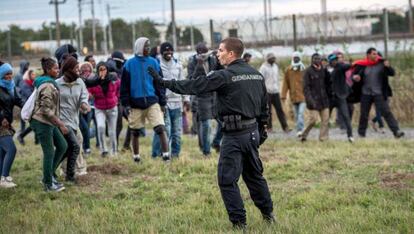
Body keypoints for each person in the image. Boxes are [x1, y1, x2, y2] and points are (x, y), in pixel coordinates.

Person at [148, 37, 275, 229]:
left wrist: (163, 82)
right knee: (254, 177)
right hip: (252, 133)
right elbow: (264, 105)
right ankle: (269, 215)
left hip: (234, 136)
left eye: (221, 50)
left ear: (231, 54)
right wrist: (262, 128)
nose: (217, 53)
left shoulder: (224, 75)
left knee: (227, 180)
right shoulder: (256, 74)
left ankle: (239, 224)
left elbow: (194, 85)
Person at [121, 37, 169, 162]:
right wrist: (126, 104)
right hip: (135, 103)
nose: (148, 49)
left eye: (149, 46)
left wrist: (162, 102)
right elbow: (124, 87)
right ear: (139, 48)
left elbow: (160, 84)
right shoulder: (129, 64)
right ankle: (136, 157)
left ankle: (166, 156)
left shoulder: (154, 62)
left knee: (160, 128)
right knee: (135, 132)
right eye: (145, 47)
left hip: (152, 101)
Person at [30, 57, 68, 192]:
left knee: (63, 146)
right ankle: (48, 184)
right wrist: (61, 124)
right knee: (49, 152)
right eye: (55, 68)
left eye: (58, 68)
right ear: (47, 70)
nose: (58, 70)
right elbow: (45, 110)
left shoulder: (50, 82)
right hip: (41, 121)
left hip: (49, 121)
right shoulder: (47, 85)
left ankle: (48, 175)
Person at [352, 47, 404, 138]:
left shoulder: (382, 64)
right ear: (368, 55)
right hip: (366, 94)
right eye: (374, 54)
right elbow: (354, 75)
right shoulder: (362, 65)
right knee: (364, 114)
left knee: (386, 112)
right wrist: (355, 78)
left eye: (377, 54)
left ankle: (396, 131)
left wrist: (388, 66)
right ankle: (361, 134)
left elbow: (392, 73)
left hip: (379, 93)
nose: (376, 55)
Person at [151, 42, 189, 158]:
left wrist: (186, 99)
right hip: (163, 103)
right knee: (164, 130)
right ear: (161, 52)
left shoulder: (177, 65)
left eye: (171, 51)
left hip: (177, 103)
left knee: (177, 132)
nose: (169, 53)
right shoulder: (157, 64)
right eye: (166, 51)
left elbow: (183, 83)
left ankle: (175, 155)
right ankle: (158, 154)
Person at [56, 55, 90, 182]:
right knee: (75, 145)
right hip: (62, 121)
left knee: (70, 146)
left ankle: (54, 169)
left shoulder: (79, 82)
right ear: (68, 69)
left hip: (74, 119)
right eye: (76, 68)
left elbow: (83, 96)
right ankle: (70, 175)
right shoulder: (57, 84)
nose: (78, 71)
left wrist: (84, 104)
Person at [187, 42, 220, 156]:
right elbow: (191, 80)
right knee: (205, 124)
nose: (206, 55)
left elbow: (220, 71)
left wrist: (218, 57)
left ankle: (215, 142)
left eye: (207, 53)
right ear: (198, 53)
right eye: (203, 53)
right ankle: (206, 151)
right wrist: (198, 66)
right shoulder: (192, 62)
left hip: (214, 96)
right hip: (201, 98)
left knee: (222, 121)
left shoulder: (212, 60)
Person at [88, 62, 120, 157]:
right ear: (97, 71)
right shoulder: (94, 81)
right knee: (100, 127)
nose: (103, 71)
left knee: (112, 131)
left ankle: (114, 151)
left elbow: (119, 88)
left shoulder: (113, 79)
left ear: (107, 70)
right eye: (100, 69)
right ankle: (103, 150)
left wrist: (117, 98)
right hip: (99, 108)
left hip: (112, 107)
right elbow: (88, 90)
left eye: (104, 69)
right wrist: (90, 96)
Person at [0, 61, 24, 188]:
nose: (9, 76)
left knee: (3, 152)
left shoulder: (11, 87)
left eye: (10, 73)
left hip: (7, 123)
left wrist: (29, 107)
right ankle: (4, 178)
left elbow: (19, 101)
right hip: (1, 124)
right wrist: (1, 117)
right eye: (6, 74)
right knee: (11, 149)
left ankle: (1, 177)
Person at [300, 53, 331, 142]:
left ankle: (323, 138)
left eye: (319, 58)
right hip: (313, 101)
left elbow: (328, 84)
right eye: (315, 58)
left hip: (324, 100)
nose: (317, 60)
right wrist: (310, 100)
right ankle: (303, 135)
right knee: (313, 120)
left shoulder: (324, 70)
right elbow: (306, 88)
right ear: (312, 60)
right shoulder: (308, 71)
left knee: (325, 120)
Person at [259, 53, 290, 133]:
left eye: (274, 58)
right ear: (268, 59)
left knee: (280, 110)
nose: (274, 59)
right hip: (267, 92)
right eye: (272, 58)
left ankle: (285, 127)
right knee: (268, 111)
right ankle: (269, 128)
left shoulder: (276, 67)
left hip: (276, 92)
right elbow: (260, 80)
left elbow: (276, 79)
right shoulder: (263, 67)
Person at [327, 53, 354, 142]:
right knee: (326, 118)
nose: (335, 62)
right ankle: (324, 136)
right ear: (330, 62)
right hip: (330, 98)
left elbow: (347, 67)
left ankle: (350, 136)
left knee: (346, 116)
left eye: (336, 60)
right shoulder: (326, 70)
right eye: (333, 60)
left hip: (340, 97)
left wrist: (350, 64)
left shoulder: (340, 67)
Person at [281, 51, 306, 137]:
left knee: (300, 114)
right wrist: (283, 95)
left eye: (297, 57)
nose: (296, 59)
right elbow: (285, 84)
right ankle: (299, 130)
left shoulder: (303, 69)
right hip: (293, 96)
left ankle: (301, 130)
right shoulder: (288, 70)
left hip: (303, 96)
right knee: (296, 114)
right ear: (292, 58)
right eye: (294, 57)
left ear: (300, 58)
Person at [16, 69, 37, 145]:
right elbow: (29, 95)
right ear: (29, 75)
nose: (34, 76)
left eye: (35, 74)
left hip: (32, 106)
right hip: (26, 106)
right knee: (34, 123)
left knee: (35, 123)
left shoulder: (32, 83)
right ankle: (21, 135)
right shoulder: (25, 84)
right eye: (32, 75)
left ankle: (36, 140)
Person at [14, 60, 30, 136]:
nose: (27, 67)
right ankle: (23, 129)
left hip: (28, 97)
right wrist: (20, 91)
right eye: (26, 65)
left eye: (28, 65)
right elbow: (14, 86)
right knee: (23, 114)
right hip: (22, 98)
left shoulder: (27, 74)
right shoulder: (18, 76)